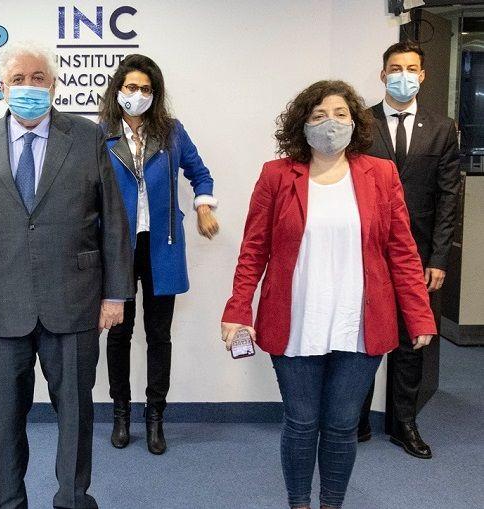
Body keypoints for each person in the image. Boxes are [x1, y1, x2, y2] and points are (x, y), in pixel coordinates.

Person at [221, 80, 436, 509]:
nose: (330, 124)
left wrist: (419, 314)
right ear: (302, 125)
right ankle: (299, 503)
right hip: (296, 320)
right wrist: (238, 308)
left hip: (359, 323)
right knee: (301, 423)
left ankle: (331, 504)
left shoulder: (381, 174)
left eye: (340, 114)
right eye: (318, 115)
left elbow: (402, 251)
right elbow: (254, 249)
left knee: (341, 425)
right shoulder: (277, 175)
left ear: (355, 123)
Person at [0, 41, 133, 509]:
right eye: (18, 80)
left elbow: (113, 220)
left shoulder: (87, 137)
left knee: (75, 415)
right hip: (0, 303)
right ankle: (10, 502)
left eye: (38, 78)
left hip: (74, 300)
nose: (28, 87)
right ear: (2, 87)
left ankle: (73, 499)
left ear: (53, 85)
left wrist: (116, 295)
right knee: (5, 419)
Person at [98, 54, 220, 455]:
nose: (138, 94)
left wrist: (203, 206)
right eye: (131, 87)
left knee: (158, 335)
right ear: (118, 90)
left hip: (161, 245)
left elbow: (200, 173)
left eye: (146, 89)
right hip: (119, 248)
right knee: (119, 334)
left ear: (156, 94)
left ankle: (155, 418)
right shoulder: (101, 134)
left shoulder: (171, 132)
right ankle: (120, 414)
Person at [357, 41, 461, 458]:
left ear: (423, 75)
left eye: (411, 68)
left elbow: (448, 196)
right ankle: (356, 419)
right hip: (366, 249)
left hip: (417, 253)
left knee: (411, 340)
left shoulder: (442, 128)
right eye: (396, 68)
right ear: (383, 75)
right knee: (362, 336)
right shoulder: (360, 124)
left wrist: (439, 258)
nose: (404, 75)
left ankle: (404, 423)